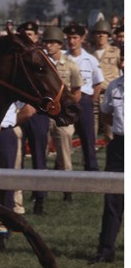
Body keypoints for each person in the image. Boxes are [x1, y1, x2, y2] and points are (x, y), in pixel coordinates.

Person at [0, 102, 35, 251]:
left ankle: (5, 228)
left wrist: (11, 121)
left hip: (5, 132)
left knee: (7, 184)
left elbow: (29, 109)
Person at [42, 26, 83, 202]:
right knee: (41, 152)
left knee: (65, 152)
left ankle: (68, 190)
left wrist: (66, 110)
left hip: (62, 115)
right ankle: (40, 190)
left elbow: (77, 91)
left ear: (59, 45)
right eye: (46, 42)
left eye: (52, 43)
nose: (49, 46)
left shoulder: (70, 65)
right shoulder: (42, 64)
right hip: (44, 113)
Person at [90, 73, 124, 264]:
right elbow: (106, 113)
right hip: (119, 147)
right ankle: (105, 251)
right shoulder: (115, 85)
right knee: (112, 200)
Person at [17, 21, 50, 214]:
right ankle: (15, 197)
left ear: (37, 37)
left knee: (39, 156)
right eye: (24, 34)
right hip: (18, 113)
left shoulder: (43, 59)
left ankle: (40, 198)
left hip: (37, 113)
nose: (28, 37)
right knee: (17, 158)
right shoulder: (16, 60)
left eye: (31, 33)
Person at [64, 22, 104, 171]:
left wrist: (89, 102)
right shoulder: (63, 58)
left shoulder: (90, 60)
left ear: (82, 39)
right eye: (69, 38)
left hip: (84, 101)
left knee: (88, 138)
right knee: (63, 137)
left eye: (75, 37)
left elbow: (98, 84)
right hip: (65, 102)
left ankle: (91, 169)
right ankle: (62, 169)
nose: (72, 41)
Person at [90, 20, 122, 143]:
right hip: (93, 94)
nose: (101, 36)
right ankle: (89, 159)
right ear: (94, 35)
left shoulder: (116, 52)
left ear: (108, 35)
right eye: (98, 33)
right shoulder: (89, 53)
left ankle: (114, 157)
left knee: (111, 131)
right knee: (91, 129)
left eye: (104, 33)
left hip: (110, 95)